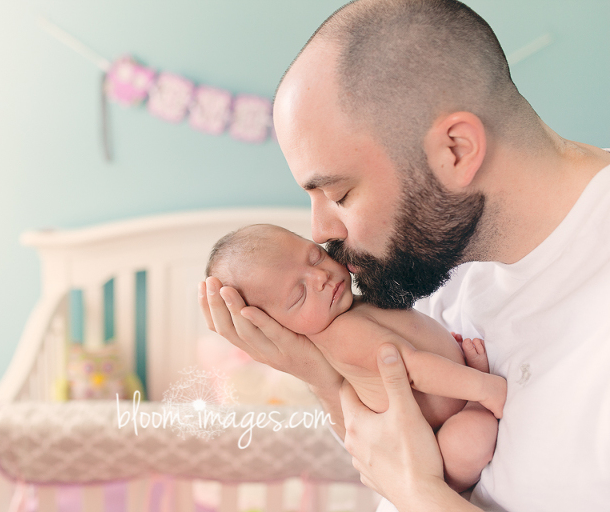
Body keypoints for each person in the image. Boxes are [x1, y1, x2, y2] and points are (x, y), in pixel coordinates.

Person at [199, 0, 610, 510]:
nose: (321, 233)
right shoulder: (435, 258)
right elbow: (397, 450)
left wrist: (417, 493)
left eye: (341, 195)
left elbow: (408, 480)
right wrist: (324, 375)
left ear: (456, 150)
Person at [207, 223, 504, 491]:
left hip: (453, 397)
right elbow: (413, 369)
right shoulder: (342, 334)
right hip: (437, 445)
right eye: (299, 294)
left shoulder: (353, 304)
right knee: (470, 440)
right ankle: (456, 485)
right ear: (276, 329)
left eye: (315, 257)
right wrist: (482, 388)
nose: (320, 276)